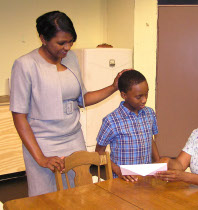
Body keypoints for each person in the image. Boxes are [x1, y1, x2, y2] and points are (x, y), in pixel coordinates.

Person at [10, 11, 126, 197]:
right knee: (46, 198)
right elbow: (19, 116)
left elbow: (83, 99)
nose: (68, 47)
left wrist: (113, 87)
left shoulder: (70, 58)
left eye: (71, 41)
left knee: (78, 194)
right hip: (43, 143)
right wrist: (41, 158)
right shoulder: (25, 65)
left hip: (73, 139)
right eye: (61, 43)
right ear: (43, 38)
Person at [95, 70, 160, 182]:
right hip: (122, 181)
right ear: (124, 95)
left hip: (146, 179)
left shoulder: (150, 113)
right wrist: (118, 170)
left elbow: (151, 139)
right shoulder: (111, 121)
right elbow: (99, 153)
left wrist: (158, 164)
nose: (144, 100)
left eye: (146, 94)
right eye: (139, 97)